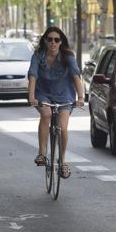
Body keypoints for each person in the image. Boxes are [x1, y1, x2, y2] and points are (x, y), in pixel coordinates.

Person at [28, 26, 85, 179]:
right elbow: (33, 75)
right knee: (46, 114)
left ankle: (63, 161)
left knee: (63, 128)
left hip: (64, 94)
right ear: (45, 41)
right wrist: (31, 97)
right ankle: (42, 153)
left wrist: (80, 97)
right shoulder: (38, 55)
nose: (53, 42)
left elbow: (76, 77)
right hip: (44, 93)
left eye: (56, 40)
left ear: (61, 42)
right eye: (50, 39)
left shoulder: (68, 56)